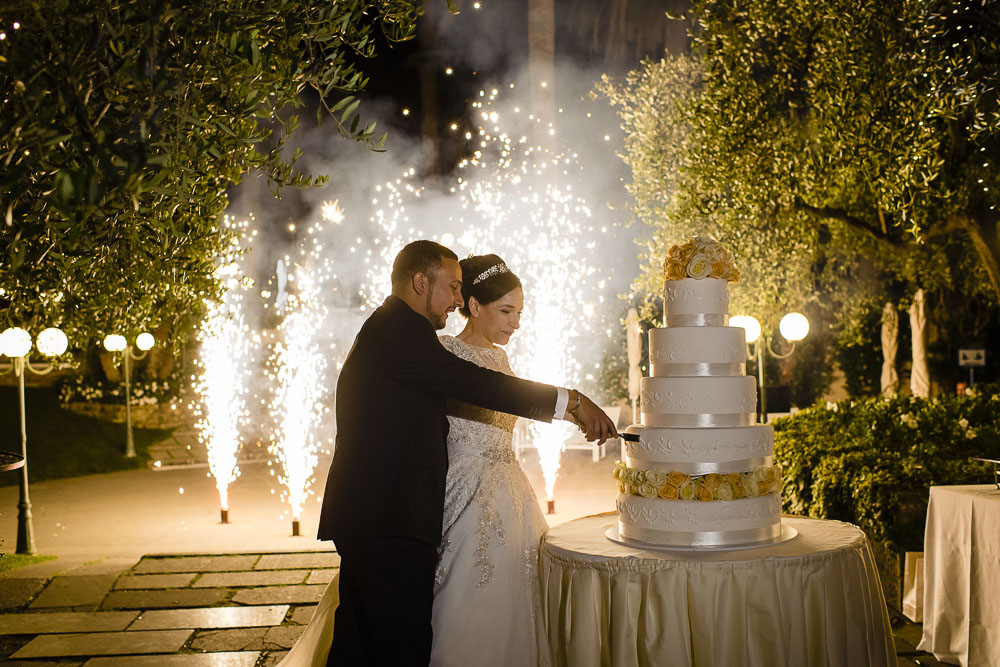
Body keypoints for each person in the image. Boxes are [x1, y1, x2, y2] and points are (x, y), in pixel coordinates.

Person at [303, 240, 615, 667]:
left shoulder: (391, 326)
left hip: (376, 513)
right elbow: (477, 384)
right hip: (388, 517)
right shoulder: (403, 331)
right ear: (419, 282)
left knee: (360, 644)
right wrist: (572, 402)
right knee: (401, 647)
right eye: (451, 288)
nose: (456, 298)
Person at [430, 253, 553, 666]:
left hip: (512, 490)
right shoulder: (445, 352)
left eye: (519, 313)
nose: (515, 323)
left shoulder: (501, 359)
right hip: (465, 486)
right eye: (505, 311)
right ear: (474, 306)